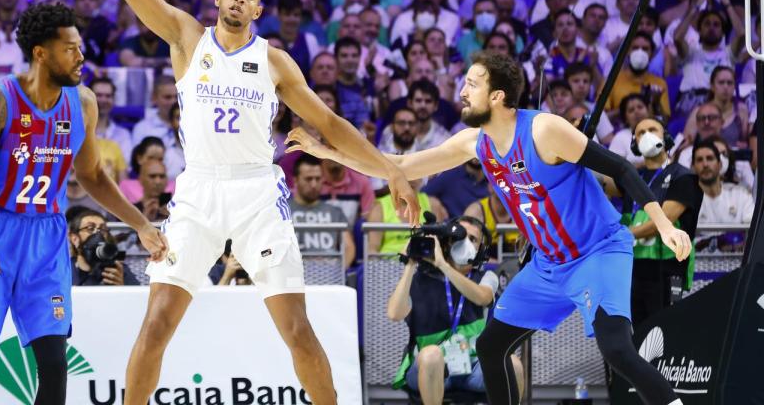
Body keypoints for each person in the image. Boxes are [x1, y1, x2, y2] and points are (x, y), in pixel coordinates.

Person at [51, 0, 419, 405]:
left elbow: (330, 124)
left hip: (255, 194)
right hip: (198, 192)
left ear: (259, 9)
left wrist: (391, 169)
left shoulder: (274, 61)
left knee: (296, 329)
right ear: (217, 0)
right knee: (156, 326)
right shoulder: (185, 38)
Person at [287, 51, 691, 405]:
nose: (462, 91)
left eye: (472, 84)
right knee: (491, 345)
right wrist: (323, 149)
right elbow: (401, 167)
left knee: (617, 349)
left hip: (597, 251)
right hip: (549, 265)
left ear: (497, 96)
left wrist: (664, 226)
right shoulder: (473, 142)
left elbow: (620, 167)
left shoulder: (544, 130)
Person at [0, 3, 168, 405]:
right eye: (71, 49)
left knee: (55, 369)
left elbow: (94, 175)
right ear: (41, 53)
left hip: (46, 237)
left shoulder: (82, 103)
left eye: (80, 48)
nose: (81, 57)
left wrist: (141, 225)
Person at [386, 216, 523, 404]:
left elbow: (482, 297)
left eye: (473, 239)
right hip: (430, 367)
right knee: (431, 355)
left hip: (473, 366)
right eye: (461, 236)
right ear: (448, 241)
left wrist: (443, 265)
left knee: (513, 364)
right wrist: (410, 265)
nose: (465, 243)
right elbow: (394, 314)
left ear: (480, 250)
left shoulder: (486, 276)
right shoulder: (421, 278)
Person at [601, 118, 703, 325]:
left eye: (652, 129)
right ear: (633, 143)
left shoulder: (682, 176)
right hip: (633, 268)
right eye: (640, 132)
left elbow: (664, 220)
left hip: (666, 268)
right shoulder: (632, 175)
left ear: (665, 136)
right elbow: (600, 182)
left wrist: (626, 234)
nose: (647, 135)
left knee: (665, 331)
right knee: (635, 331)